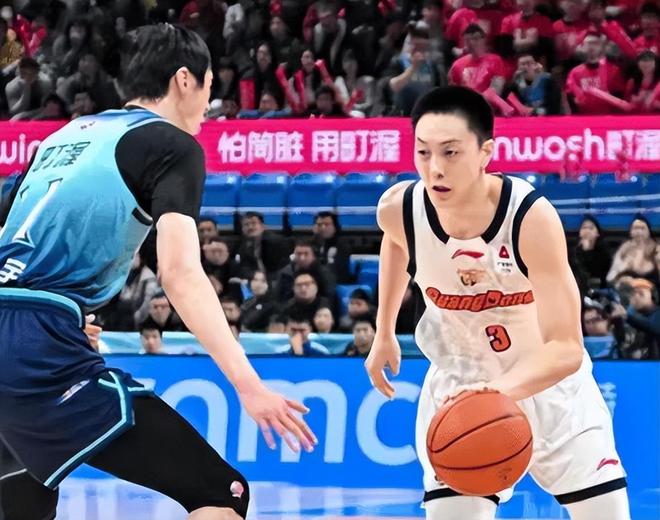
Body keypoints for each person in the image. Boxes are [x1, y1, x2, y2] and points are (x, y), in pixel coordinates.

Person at [0, 24, 315, 520]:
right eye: (210, 86)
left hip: (33, 329)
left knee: (22, 501)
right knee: (221, 492)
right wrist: (249, 385)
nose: (209, 104)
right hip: (34, 346)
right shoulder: (171, 144)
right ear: (184, 80)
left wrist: (63, 314)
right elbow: (180, 273)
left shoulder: (64, 137)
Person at [365, 86, 629, 520]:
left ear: (486, 151)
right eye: (423, 152)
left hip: (547, 385)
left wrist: (496, 394)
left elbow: (566, 348)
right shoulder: (399, 208)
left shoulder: (528, 218)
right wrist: (384, 330)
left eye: (451, 152)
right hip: (460, 381)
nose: (435, 168)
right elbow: (396, 241)